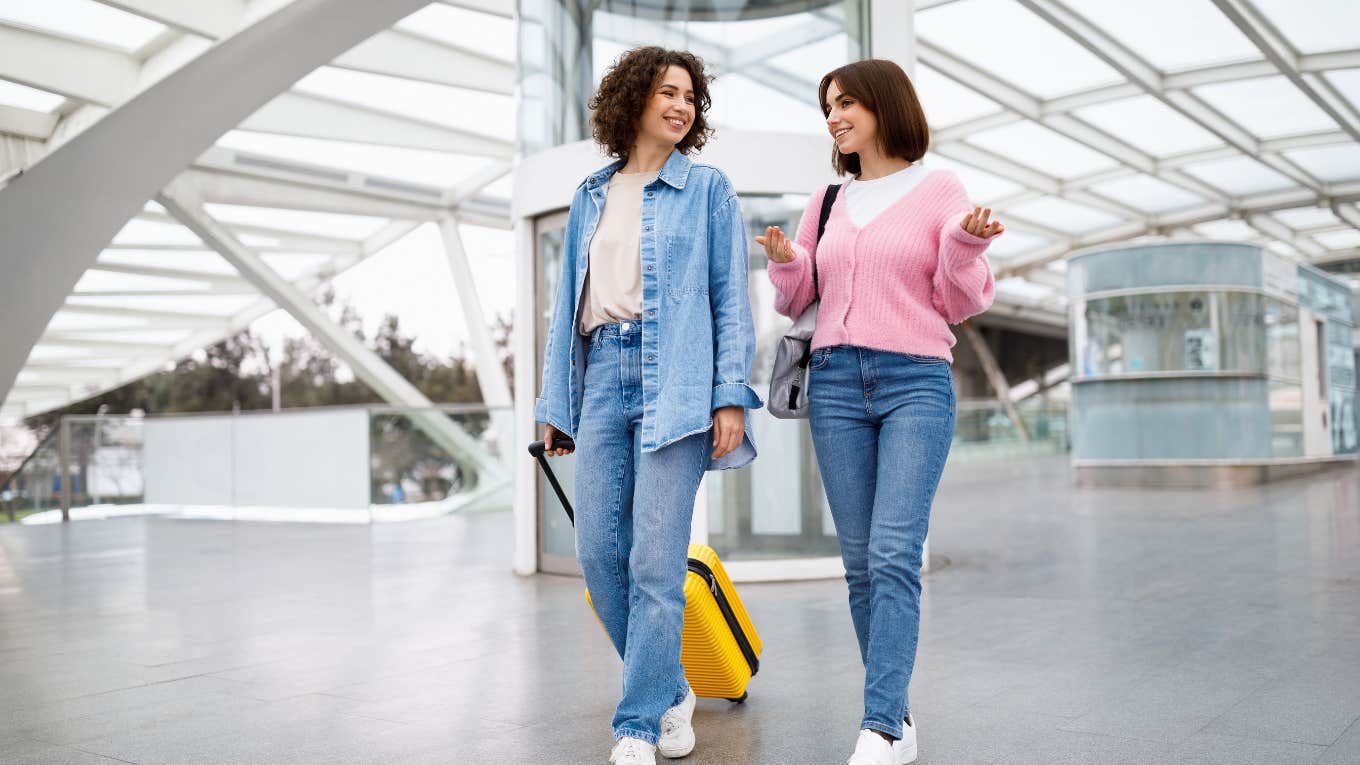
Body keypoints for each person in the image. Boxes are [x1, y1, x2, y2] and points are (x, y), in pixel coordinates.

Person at [757, 58, 1003, 765]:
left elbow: (962, 300)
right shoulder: (828, 199)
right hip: (834, 382)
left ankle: (881, 727)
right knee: (861, 564)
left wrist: (963, 243)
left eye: (845, 103)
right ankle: (893, 712)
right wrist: (784, 261)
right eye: (827, 106)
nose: (833, 116)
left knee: (895, 552)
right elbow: (798, 297)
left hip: (914, 382)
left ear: (883, 105)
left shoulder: (939, 189)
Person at [534, 46, 762, 765]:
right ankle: (667, 686)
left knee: (656, 565)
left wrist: (731, 398)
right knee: (600, 552)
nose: (681, 105)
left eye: (690, 97)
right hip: (601, 374)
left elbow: (732, 301)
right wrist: (556, 401)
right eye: (668, 92)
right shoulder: (589, 195)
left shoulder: (708, 189)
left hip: (679, 381)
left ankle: (636, 725)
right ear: (633, 99)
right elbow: (565, 308)